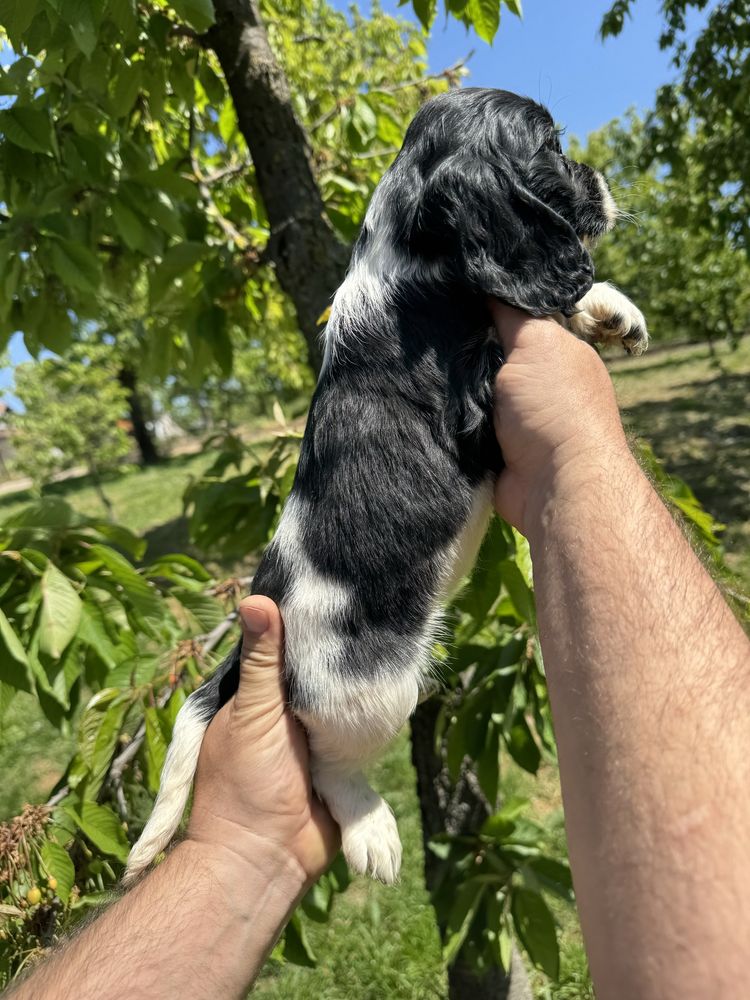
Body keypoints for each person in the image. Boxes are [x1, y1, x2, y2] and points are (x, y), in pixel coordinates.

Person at [7, 306, 750, 1000]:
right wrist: (580, 460)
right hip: (352, 626)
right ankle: (340, 774)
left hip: (384, 555)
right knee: (375, 698)